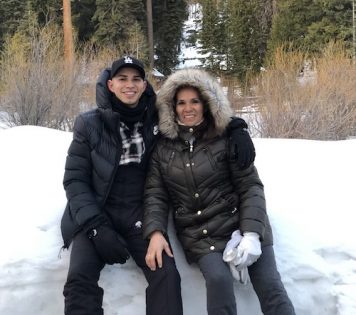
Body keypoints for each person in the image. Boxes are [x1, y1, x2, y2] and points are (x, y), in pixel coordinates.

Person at [143, 68, 295, 315]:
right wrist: (155, 232)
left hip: (240, 220)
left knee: (270, 286)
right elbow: (155, 195)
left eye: (195, 101)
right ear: (172, 107)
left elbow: (250, 186)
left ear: (206, 103)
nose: (188, 108)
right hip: (201, 233)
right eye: (181, 102)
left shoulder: (227, 137)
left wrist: (252, 234)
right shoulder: (163, 149)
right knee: (218, 281)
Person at [60, 56, 183, 315]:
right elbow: (75, 180)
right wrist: (95, 228)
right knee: (80, 280)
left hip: (138, 213)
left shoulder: (157, 119)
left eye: (136, 79)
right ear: (111, 85)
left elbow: (198, 111)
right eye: (123, 79)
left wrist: (237, 127)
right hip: (97, 209)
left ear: (144, 85)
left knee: (167, 275)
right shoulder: (89, 123)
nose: (130, 85)